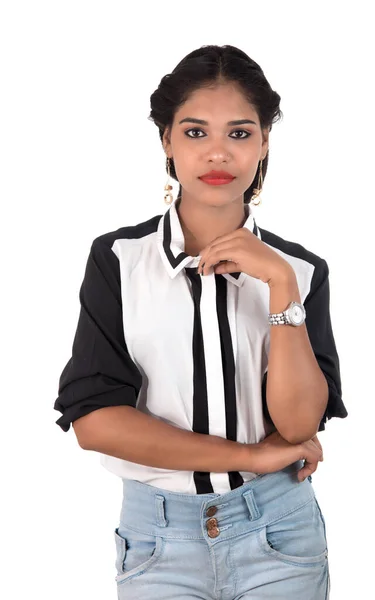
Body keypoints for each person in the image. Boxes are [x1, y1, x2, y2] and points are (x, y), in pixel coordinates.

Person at [53, 44, 348, 599]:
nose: (218, 154)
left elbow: (300, 423)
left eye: (239, 133)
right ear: (166, 139)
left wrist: (280, 287)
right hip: (159, 539)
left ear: (264, 143)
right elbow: (95, 422)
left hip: (280, 532)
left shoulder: (302, 271)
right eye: (195, 133)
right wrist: (248, 457)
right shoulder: (119, 260)